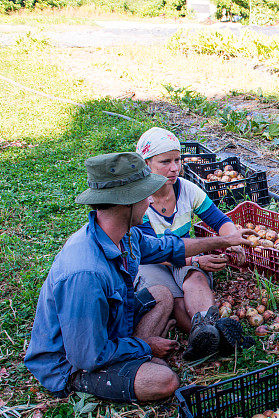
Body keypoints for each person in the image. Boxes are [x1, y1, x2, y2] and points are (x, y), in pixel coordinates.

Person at [24, 152, 253, 403]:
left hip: (110, 328)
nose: (149, 202)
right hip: (73, 363)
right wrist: (147, 347)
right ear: (126, 202)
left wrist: (225, 239)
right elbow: (88, 356)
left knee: (162, 294)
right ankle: (122, 360)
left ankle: (133, 348)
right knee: (164, 380)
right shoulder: (85, 274)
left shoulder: (125, 234)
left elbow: (170, 248)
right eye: (145, 195)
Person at [135, 127, 242, 344]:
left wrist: (233, 241)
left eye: (177, 160)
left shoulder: (186, 189)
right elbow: (153, 251)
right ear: (146, 164)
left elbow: (219, 221)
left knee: (195, 276)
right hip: (153, 262)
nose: (174, 168)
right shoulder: (140, 202)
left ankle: (206, 326)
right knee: (175, 301)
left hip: (181, 255)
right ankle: (213, 340)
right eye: (165, 162)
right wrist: (195, 259)